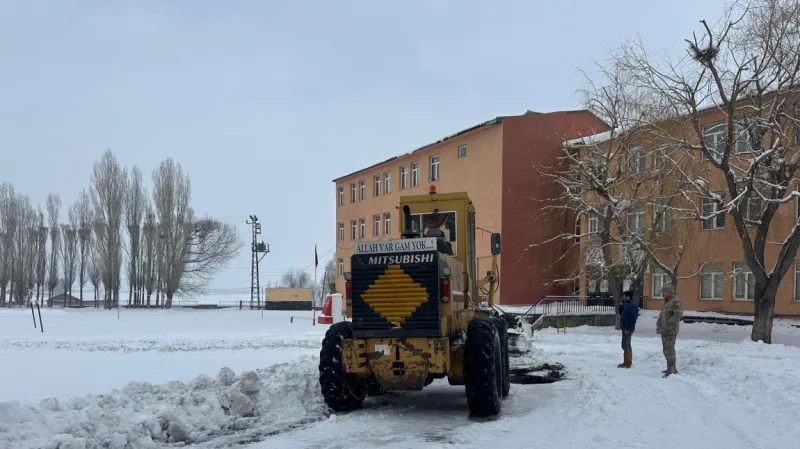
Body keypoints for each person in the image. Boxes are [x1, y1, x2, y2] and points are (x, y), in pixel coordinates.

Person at [656, 284, 683, 377]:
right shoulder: (667, 302)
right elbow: (663, 315)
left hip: (670, 330)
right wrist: (659, 324)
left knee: (669, 349)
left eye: (664, 292)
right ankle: (669, 368)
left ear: (668, 292)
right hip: (665, 330)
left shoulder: (675, 301)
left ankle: (672, 370)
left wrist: (668, 323)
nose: (662, 293)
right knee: (666, 349)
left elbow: (678, 314)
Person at [617, 291, 638, 368]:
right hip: (625, 327)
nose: (622, 297)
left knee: (625, 344)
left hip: (627, 328)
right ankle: (628, 361)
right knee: (627, 344)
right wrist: (621, 305)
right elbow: (621, 313)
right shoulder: (627, 304)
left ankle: (627, 363)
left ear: (627, 296)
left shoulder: (631, 305)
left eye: (624, 296)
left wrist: (629, 329)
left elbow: (633, 318)